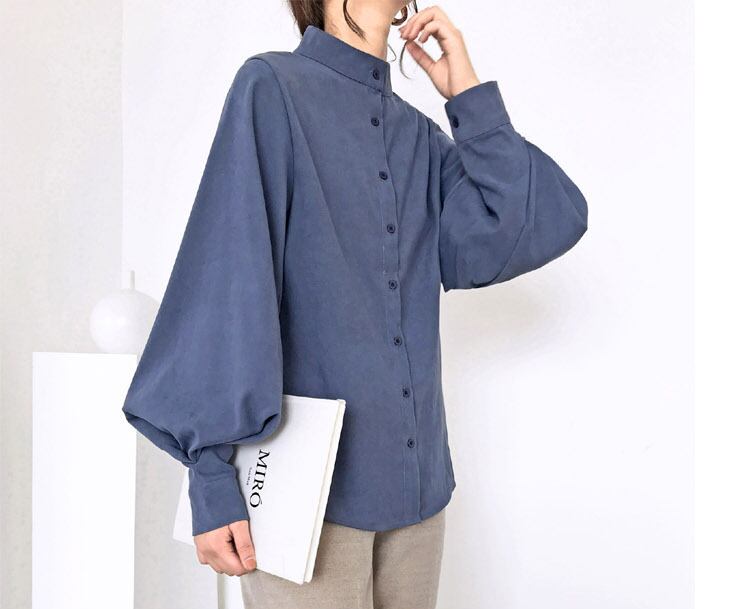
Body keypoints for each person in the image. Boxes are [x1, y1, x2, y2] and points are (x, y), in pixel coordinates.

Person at [122, 1, 589, 607]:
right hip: (303, 502)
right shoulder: (272, 89)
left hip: (419, 499)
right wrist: (210, 476)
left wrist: (468, 97)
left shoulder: (418, 137)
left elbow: (541, 221)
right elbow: (226, 279)